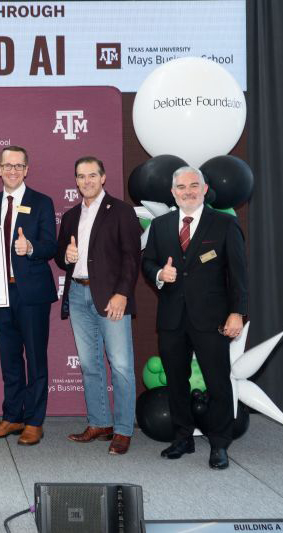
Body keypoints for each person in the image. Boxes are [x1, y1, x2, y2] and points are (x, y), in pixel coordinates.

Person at [142, 166, 248, 470]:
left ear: (204, 189)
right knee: (176, 382)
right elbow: (147, 262)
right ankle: (183, 437)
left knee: (217, 383)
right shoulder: (160, 226)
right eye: (181, 187)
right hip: (172, 318)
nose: (187, 191)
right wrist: (161, 273)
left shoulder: (224, 224)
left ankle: (219, 444)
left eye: (193, 186)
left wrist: (237, 313)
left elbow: (239, 275)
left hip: (212, 319)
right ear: (173, 192)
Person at [55, 156, 141, 455]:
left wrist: (122, 294)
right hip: (78, 296)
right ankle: (99, 423)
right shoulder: (69, 217)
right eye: (81, 176)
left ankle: (123, 429)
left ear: (103, 178)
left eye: (92, 175)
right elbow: (59, 257)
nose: (86, 181)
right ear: (76, 181)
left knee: (120, 366)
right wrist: (65, 256)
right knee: (90, 365)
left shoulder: (121, 211)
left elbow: (132, 258)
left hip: (111, 298)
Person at [0, 146, 57, 446]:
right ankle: (12, 417)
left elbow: (51, 245)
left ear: (26, 169)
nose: (12, 171)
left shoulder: (42, 202)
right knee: (9, 360)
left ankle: (34, 421)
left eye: (19, 166)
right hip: (2, 295)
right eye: (7, 165)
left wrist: (32, 248)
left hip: (32, 295)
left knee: (36, 359)